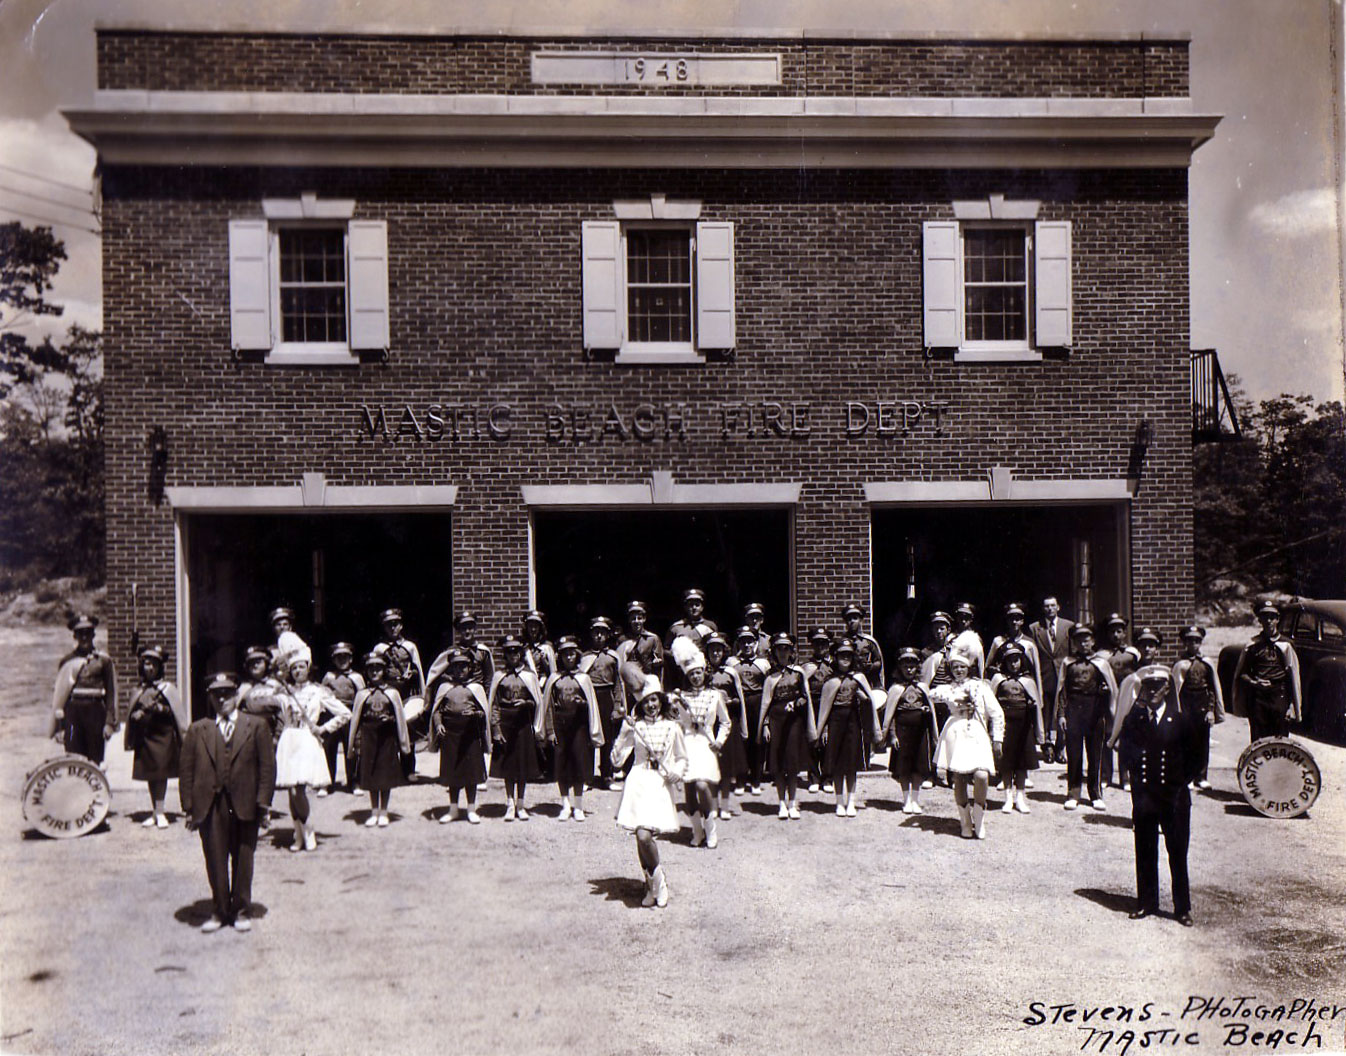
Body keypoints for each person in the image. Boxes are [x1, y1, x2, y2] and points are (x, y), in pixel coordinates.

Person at [179, 672, 276, 933]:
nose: (222, 699)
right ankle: (220, 910)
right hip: (211, 806)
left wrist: (263, 802)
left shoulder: (255, 726)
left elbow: (267, 767)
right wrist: (188, 807)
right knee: (215, 859)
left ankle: (241, 910)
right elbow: (186, 770)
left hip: (245, 803)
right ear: (209, 697)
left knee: (244, 858)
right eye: (216, 694)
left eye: (227, 694)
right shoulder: (199, 729)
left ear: (236, 695)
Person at [1116, 665, 1203, 926]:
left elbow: (1197, 758)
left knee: (1177, 852)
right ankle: (1146, 902)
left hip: (1173, 797)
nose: (1153, 692)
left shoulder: (1181, 720)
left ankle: (1181, 908)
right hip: (1145, 797)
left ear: (1168, 689)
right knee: (1144, 850)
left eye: (1158, 687)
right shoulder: (1135, 719)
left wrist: (1178, 783)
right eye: (1149, 687)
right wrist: (1138, 783)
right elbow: (1126, 753)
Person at [610, 675, 689, 909]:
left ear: (661, 701)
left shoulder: (672, 727)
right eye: (645, 701)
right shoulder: (636, 726)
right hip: (638, 781)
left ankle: (659, 882)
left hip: (659, 784)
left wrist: (677, 771)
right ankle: (652, 884)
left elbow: (682, 758)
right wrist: (624, 733)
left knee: (646, 836)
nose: (650, 705)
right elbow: (616, 761)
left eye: (654, 700)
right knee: (640, 836)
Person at [276, 650, 348, 851]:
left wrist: (323, 728)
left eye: (302, 666)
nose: (298, 671)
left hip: (306, 739)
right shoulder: (285, 692)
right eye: (294, 668)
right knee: (291, 790)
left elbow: (344, 713)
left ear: (308, 669)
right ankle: (297, 835)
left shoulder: (318, 691)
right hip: (289, 739)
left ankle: (309, 831)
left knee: (299, 788)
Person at [931, 650, 1004, 839]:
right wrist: (951, 698)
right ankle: (965, 822)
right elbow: (933, 695)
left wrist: (997, 738)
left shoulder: (980, 686)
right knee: (959, 777)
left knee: (981, 775)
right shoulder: (948, 688)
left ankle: (978, 820)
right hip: (955, 732)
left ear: (968, 668)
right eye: (955, 667)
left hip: (977, 732)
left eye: (962, 667)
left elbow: (996, 713)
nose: (959, 670)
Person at [670, 637, 731, 848]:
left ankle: (710, 829)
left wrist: (720, 741)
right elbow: (674, 724)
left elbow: (725, 722)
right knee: (689, 788)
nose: (696, 677)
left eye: (699, 672)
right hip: (686, 745)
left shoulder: (714, 696)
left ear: (705, 672)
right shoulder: (679, 697)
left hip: (706, 746)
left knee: (703, 785)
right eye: (691, 673)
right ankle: (696, 831)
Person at [536, 636, 603, 821]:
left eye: (572, 653)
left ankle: (579, 806)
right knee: (561, 765)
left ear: (577, 655)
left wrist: (582, 704)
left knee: (578, 764)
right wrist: (549, 731)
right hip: (560, 725)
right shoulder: (554, 679)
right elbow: (548, 706)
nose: (569, 657)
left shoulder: (584, 678)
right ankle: (565, 804)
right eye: (565, 654)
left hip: (579, 726)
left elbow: (591, 706)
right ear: (560, 657)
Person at [815, 639, 883, 817]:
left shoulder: (859, 678)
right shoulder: (830, 681)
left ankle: (851, 801)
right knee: (837, 765)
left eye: (848, 656)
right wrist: (824, 729)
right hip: (836, 722)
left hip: (853, 722)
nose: (845, 659)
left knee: (851, 765)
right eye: (841, 656)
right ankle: (839, 802)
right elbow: (825, 709)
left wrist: (863, 698)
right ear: (835, 658)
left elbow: (869, 703)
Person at [123, 645, 189, 828]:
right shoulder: (140, 689)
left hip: (162, 736)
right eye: (146, 664)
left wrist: (161, 709)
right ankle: (155, 811)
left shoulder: (168, 688)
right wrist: (135, 717)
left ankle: (161, 812)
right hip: (146, 736)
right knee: (151, 774)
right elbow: (133, 711)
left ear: (160, 667)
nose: (149, 668)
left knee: (161, 774)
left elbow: (176, 714)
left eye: (153, 664)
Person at [1054, 625, 1118, 811]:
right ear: (1074, 642)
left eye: (1087, 639)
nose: (1084, 643)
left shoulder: (1101, 663)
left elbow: (1112, 691)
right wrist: (1061, 714)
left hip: (1095, 712)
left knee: (1095, 754)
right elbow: (1062, 691)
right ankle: (1073, 792)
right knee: (1074, 754)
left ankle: (1095, 793)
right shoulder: (1068, 662)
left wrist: (1106, 698)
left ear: (1093, 641)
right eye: (1079, 639)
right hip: (1074, 711)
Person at [347, 652, 411, 828]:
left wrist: (390, 721)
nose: (375, 672)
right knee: (370, 774)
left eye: (378, 668)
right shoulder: (362, 694)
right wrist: (356, 742)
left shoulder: (392, 693)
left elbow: (399, 718)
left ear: (384, 670)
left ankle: (384, 811)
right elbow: (357, 720)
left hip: (386, 738)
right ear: (367, 671)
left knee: (385, 774)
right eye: (371, 669)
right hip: (369, 737)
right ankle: (373, 810)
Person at [428, 649, 489, 824]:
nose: (460, 670)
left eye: (463, 666)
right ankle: (453, 808)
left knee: (471, 773)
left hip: (469, 735)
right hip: (451, 735)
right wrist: (439, 724)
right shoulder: (444, 688)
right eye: (456, 666)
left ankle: (471, 809)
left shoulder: (476, 688)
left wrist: (476, 714)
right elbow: (437, 710)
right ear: (451, 669)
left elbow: (483, 711)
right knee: (452, 773)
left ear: (470, 668)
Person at [758, 633, 816, 820]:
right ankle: (781, 803)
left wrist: (797, 702)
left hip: (794, 723)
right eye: (779, 649)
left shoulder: (798, 673)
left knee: (792, 764)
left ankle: (793, 803)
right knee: (778, 763)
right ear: (774, 652)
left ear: (791, 651)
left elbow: (805, 696)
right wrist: (765, 725)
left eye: (786, 649)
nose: (783, 653)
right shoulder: (770, 677)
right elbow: (765, 704)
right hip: (776, 721)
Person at [488, 635, 545, 821]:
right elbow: (494, 704)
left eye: (516, 651)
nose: (513, 655)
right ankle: (510, 803)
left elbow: (537, 702)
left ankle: (521, 804)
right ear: (505, 655)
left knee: (522, 765)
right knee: (508, 765)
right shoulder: (499, 676)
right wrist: (495, 729)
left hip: (522, 724)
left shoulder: (529, 676)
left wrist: (526, 702)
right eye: (509, 652)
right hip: (505, 722)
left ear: (521, 653)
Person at [49, 614, 118, 765]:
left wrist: (109, 723)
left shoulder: (103, 660)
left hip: (95, 712)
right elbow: (60, 698)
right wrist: (60, 727)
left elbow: (111, 694)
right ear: (75, 636)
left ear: (93, 634)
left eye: (88, 633)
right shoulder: (67, 661)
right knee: (73, 757)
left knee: (95, 759)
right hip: (73, 714)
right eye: (80, 633)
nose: (84, 637)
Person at [1231, 600, 1302, 743]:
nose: (1268, 621)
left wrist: (1292, 706)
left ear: (1277, 619)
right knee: (1259, 740)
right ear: (1259, 620)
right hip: (1258, 698)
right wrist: (1255, 682)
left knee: (1280, 739)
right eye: (1264, 617)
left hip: (1279, 696)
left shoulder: (1286, 645)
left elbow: (1293, 678)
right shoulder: (1253, 645)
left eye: (1272, 617)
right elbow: (1242, 674)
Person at [880, 648, 938, 814]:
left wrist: (927, 711)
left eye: (912, 665)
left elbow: (930, 711)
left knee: (918, 767)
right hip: (902, 733)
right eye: (905, 665)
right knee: (904, 768)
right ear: (899, 667)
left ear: (918, 667)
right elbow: (891, 715)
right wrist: (892, 735)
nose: (909, 669)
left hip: (920, 733)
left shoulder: (923, 687)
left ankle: (915, 799)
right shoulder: (896, 688)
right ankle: (906, 800)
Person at [988, 643, 1042, 815]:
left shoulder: (1028, 681)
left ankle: (1020, 797)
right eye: (1009, 660)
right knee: (1006, 763)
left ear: (1022, 661)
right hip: (1005, 726)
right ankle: (1008, 797)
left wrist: (1032, 709)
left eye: (1016, 660)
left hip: (1023, 726)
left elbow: (1036, 707)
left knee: (1021, 763)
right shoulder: (998, 680)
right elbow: (989, 703)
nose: (1013, 664)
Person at [1171, 626, 1227, 789]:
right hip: (1186, 705)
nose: (1193, 644)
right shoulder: (1179, 663)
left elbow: (1212, 688)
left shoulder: (1206, 663)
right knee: (1186, 742)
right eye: (1189, 641)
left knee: (1202, 742)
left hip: (1202, 705)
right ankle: (1187, 776)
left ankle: (1201, 776)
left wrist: (1211, 710)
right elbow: (1176, 688)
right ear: (1184, 643)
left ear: (1201, 643)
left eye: (1196, 641)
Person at [704, 632, 747, 818]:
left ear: (724, 651)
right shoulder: (702, 673)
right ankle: (712, 805)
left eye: (719, 649)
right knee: (711, 766)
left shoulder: (731, 673)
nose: (715, 652)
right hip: (708, 724)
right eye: (712, 649)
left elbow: (740, 699)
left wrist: (730, 701)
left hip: (727, 722)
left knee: (726, 766)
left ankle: (725, 805)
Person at [579, 616, 626, 789]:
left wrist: (617, 706)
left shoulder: (612, 657)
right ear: (591, 634)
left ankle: (607, 776)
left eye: (603, 633)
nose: (599, 636)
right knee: (588, 737)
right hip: (590, 697)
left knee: (607, 738)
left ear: (608, 635)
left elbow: (618, 684)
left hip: (607, 696)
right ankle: (587, 777)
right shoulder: (584, 657)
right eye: (596, 632)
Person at [1028, 596, 1074, 762]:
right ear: (1043, 609)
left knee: (1062, 711)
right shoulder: (1035, 628)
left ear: (1058, 607)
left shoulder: (1068, 626)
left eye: (1053, 605)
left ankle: (1061, 747)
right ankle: (1047, 746)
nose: (1049, 609)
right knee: (1046, 711)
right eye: (1046, 606)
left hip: (1063, 674)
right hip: (1045, 675)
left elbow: (1072, 651)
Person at [372, 607, 426, 734]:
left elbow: (418, 670)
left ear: (401, 626)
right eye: (388, 625)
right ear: (384, 628)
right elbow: (374, 672)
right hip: (389, 690)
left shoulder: (410, 646)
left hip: (406, 692)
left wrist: (423, 697)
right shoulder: (380, 648)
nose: (392, 628)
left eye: (395, 624)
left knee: (408, 726)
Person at [730, 626, 770, 794]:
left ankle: (755, 779)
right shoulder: (732, 663)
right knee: (740, 741)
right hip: (740, 702)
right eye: (743, 641)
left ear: (755, 643)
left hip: (757, 701)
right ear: (738, 644)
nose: (746, 645)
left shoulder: (763, 664)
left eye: (750, 641)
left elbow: (769, 687)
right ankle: (740, 779)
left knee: (757, 740)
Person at [320, 642, 364, 791]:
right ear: (333, 660)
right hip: (332, 715)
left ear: (351, 659)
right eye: (338, 657)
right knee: (329, 747)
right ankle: (327, 782)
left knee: (351, 747)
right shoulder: (329, 677)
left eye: (345, 657)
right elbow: (321, 696)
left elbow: (362, 696)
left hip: (350, 714)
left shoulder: (356, 677)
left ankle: (353, 782)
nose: (342, 660)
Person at [802, 628, 835, 793]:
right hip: (813, 704)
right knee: (813, 739)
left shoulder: (834, 665)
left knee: (828, 740)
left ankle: (828, 778)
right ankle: (813, 776)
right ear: (812, 645)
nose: (820, 646)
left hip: (829, 704)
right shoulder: (807, 666)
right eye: (817, 643)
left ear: (828, 645)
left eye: (823, 643)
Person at [665, 588, 718, 689]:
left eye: (697, 605)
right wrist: (678, 655)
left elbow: (716, 647)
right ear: (685, 607)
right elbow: (666, 650)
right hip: (683, 673)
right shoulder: (676, 627)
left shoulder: (710, 626)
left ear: (702, 607)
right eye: (690, 605)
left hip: (704, 672)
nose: (694, 608)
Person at [986, 603, 1044, 690]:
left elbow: (1036, 671)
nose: (1014, 622)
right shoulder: (998, 641)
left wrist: (1039, 695)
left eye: (1017, 619)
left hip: (1023, 686)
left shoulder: (1029, 643)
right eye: (1011, 619)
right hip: (1003, 686)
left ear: (1022, 621)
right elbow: (988, 667)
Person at [616, 600, 664, 679]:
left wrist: (657, 662)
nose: (636, 621)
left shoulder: (652, 639)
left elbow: (660, 663)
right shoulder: (622, 639)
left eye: (639, 618)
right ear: (629, 620)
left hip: (646, 677)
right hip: (628, 680)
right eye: (633, 619)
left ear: (644, 619)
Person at [842, 603, 885, 689]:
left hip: (867, 680)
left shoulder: (868, 641)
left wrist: (870, 667)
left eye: (855, 618)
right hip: (848, 680)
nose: (852, 621)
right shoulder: (842, 642)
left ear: (861, 620)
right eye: (849, 619)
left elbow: (878, 662)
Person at [949, 603, 985, 677]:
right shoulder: (951, 638)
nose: (963, 621)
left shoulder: (975, 638)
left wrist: (981, 677)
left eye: (966, 618)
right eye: (961, 618)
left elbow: (980, 663)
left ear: (971, 620)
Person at [521, 610, 557, 682]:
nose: (533, 629)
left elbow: (552, 671)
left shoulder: (547, 646)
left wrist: (544, 660)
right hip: (527, 682)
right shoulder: (522, 646)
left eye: (536, 626)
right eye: (530, 626)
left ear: (540, 628)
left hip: (543, 683)